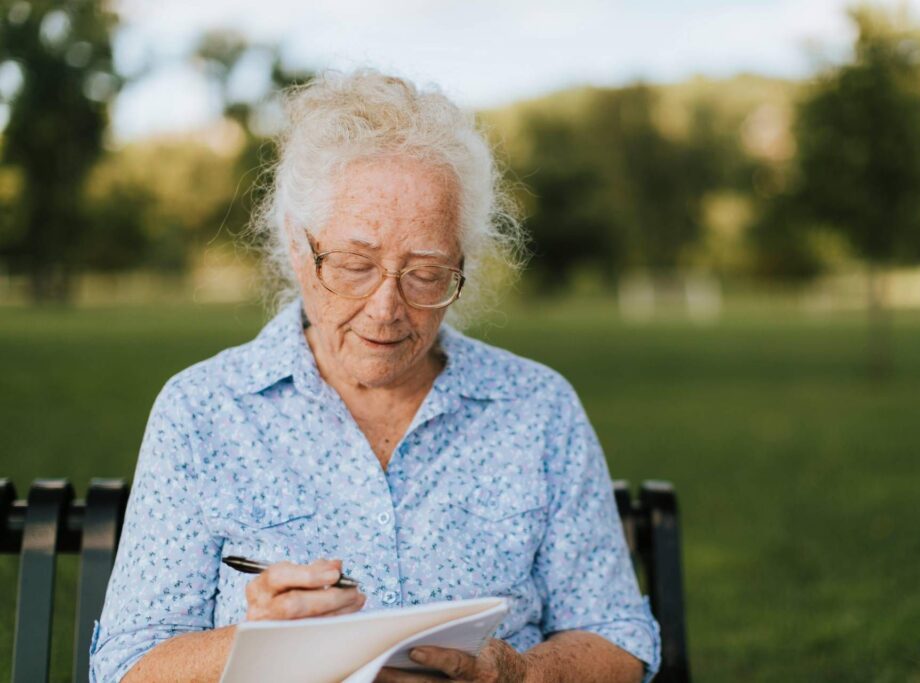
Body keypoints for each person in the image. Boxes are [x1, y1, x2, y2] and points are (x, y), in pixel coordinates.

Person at [89, 69, 661, 683]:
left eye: (425, 272)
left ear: (461, 265)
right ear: (294, 245)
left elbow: (619, 636)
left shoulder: (536, 407)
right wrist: (252, 652)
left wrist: (517, 674)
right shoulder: (204, 411)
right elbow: (128, 665)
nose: (387, 308)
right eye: (355, 265)